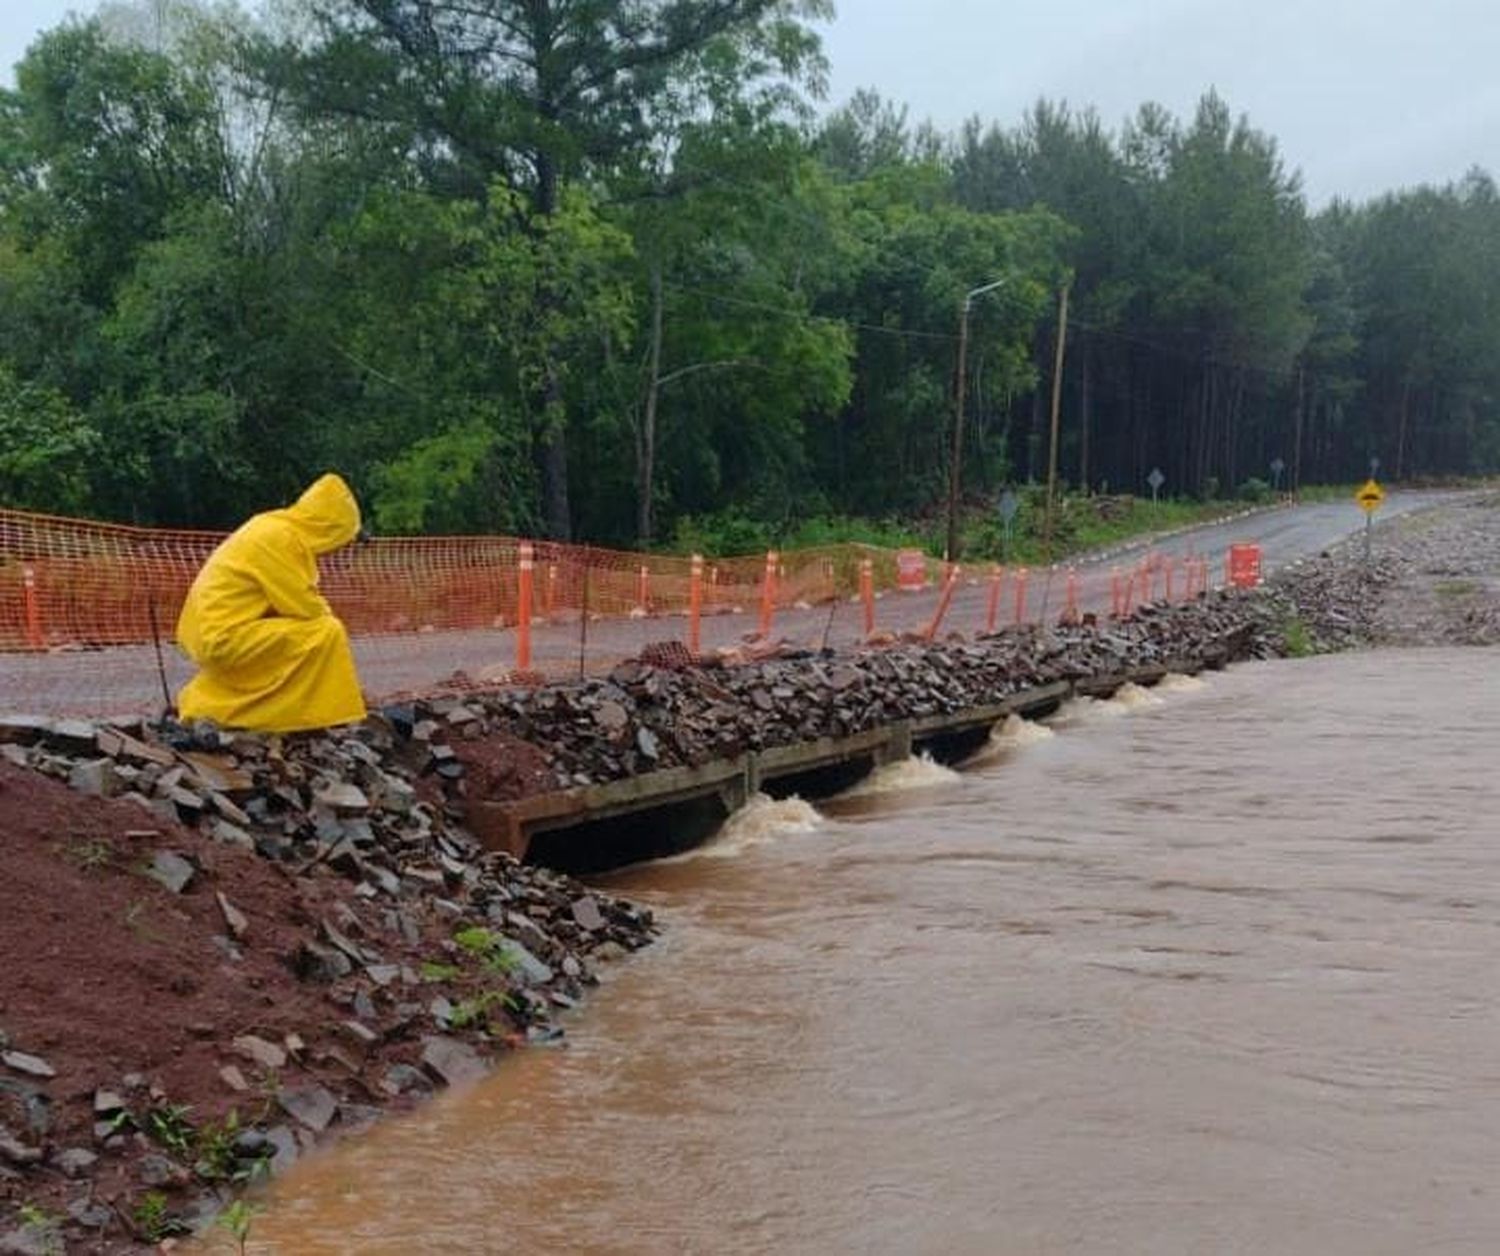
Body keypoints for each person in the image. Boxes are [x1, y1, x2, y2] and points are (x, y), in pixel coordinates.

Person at [175, 473, 368, 733]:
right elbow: (303, 606)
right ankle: (298, 714)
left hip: (213, 632)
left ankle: (202, 708)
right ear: (329, 528)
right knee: (325, 631)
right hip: (223, 638)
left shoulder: (271, 526)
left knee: (294, 636)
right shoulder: (282, 539)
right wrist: (325, 611)